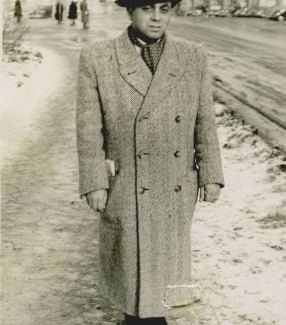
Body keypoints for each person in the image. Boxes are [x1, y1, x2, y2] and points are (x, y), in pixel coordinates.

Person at [76, 0, 224, 324]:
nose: (157, 18)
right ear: (129, 11)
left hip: (174, 184)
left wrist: (211, 172)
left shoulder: (192, 57)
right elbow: (89, 128)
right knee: (134, 282)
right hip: (128, 184)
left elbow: (204, 121)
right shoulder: (98, 58)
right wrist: (94, 179)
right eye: (146, 8)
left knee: (162, 283)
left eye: (165, 8)